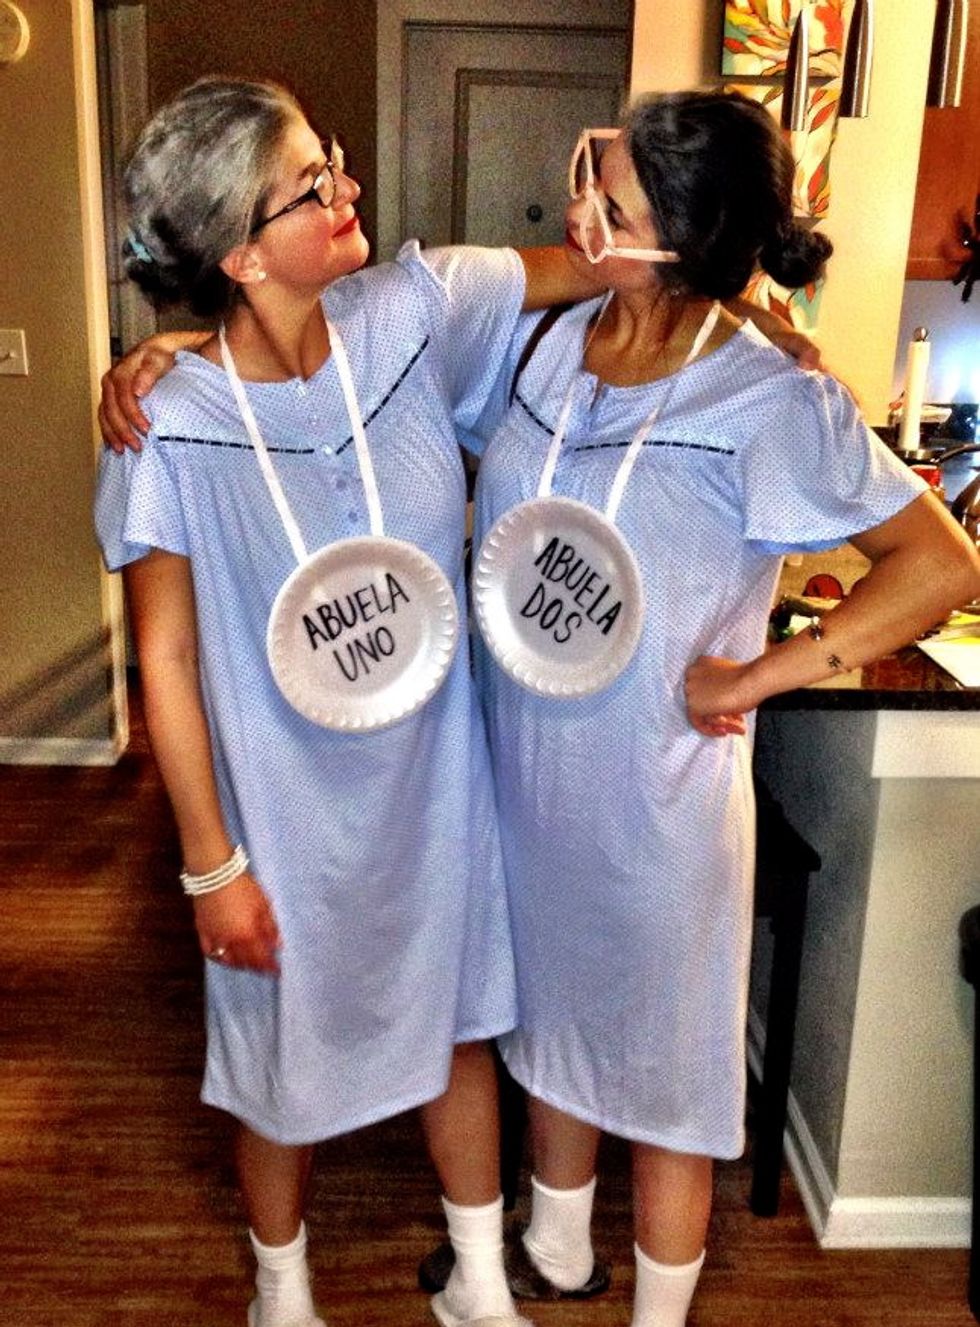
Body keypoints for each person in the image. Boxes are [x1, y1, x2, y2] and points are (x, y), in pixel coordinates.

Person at [93, 74, 618, 1327]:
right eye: (311, 184)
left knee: (458, 1019)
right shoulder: (166, 424)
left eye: (330, 160)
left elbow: (608, 273)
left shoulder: (413, 311)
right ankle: (281, 1290)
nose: (348, 187)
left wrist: (754, 325)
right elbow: (167, 656)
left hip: (433, 782)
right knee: (278, 1055)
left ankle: (478, 1282)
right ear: (240, 255)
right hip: (279, 810)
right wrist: (211, 868)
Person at [463, 90, 980, 1327]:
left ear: (679, 237)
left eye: (611, 200)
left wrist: (755, 676)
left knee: (663, 1083)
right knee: (551, 1030)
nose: (578, 209)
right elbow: (357, 356)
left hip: (656, 805)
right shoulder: (546, 343)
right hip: (524, 778)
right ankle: (557, 1251)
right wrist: (186, 346)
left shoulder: (768, 398)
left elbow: (938, 563)